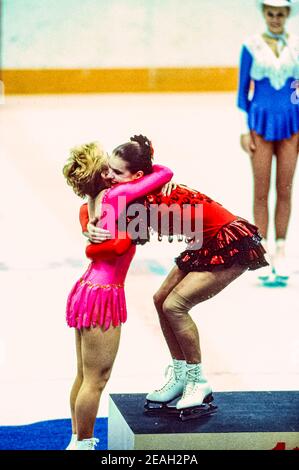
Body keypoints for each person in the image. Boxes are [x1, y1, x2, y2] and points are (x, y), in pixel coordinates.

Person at [85, 173, 268, 421]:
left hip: (229, 241)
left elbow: (118, 239)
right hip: (204, 242)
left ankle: (197, 380)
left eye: (117, 172)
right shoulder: (135, 192)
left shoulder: (143, 196)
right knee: (160, 299)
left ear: (137, 175)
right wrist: (91, 226)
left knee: (175, 306)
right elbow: (99, 204)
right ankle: (181, 374)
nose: (110, 176)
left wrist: (93, 234)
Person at [62, 136, 173, 449]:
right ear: (101, 173)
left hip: (86, 287)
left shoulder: (91, 203)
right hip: (103, 293)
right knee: (97, 379)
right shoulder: (119, 193)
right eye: (107, 169)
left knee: (84, 375)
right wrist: (147, 163)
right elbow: (163, 173)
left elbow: (94, 235)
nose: (112, 174)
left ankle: (76, 439)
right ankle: (82, 444)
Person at [238, 0, 299, 285]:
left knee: (285, 189)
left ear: (288, 15)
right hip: (259, 124)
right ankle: (259, 251)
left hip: (291, 125)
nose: (275, 19)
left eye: (280, 14)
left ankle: (281, 249)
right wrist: (244, 129)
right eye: (270, 13)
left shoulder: (297, 45)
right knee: (261, 190)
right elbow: (242, 93)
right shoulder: (251, 46)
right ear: (264, 14)